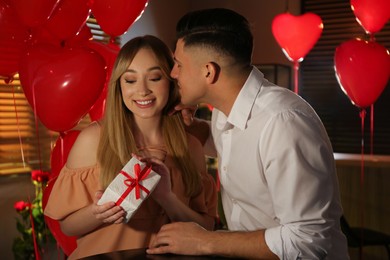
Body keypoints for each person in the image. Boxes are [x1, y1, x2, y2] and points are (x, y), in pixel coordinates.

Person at [146, 8, 349, 259]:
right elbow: (231, 143)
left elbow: (307, 241)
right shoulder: (225, 108)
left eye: (178, 65)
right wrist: (191, 126)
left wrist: (206, 241)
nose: (173, 74)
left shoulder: (283, 123)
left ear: (208, 71)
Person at [44, 35, 217, 259]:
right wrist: (98, 213)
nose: (142, 90)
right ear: (119, 86)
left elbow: (207, 228)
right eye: (130, 80)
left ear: (171, 81)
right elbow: (68, 226)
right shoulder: (93, 139)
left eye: (154, 78)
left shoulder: (191, 146)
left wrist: (168, 199)